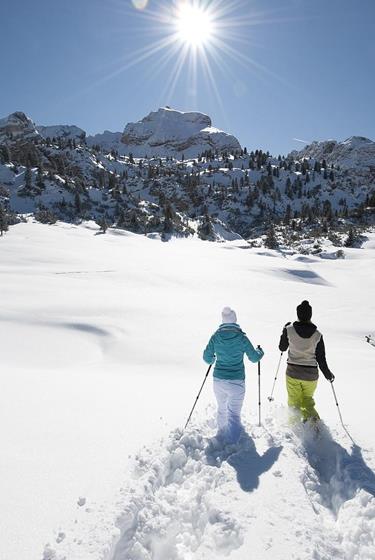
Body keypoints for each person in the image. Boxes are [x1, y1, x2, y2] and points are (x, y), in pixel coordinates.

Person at [203, 307, 264, 444]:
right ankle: (233, 444)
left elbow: (207, 358)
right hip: (236, 382)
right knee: (234, 414)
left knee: (222, 408)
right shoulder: (241, 337)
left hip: (218, 380)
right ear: (234, 320)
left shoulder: (216, 336)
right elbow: (254, 358)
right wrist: (260, 352)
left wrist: (213, 359)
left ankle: (221, 434)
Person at [279, 300, 334, 424]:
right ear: (310, 315)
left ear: (298, 314)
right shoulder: (317, 335)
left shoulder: (289, 330)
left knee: (294, 402)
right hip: (311, 375)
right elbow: (321, 358)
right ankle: (315, 427)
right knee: (307, 401)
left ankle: (295, 427)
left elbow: (282, 348)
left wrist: (284, 331)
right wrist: (327, 373)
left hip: (293, 373)